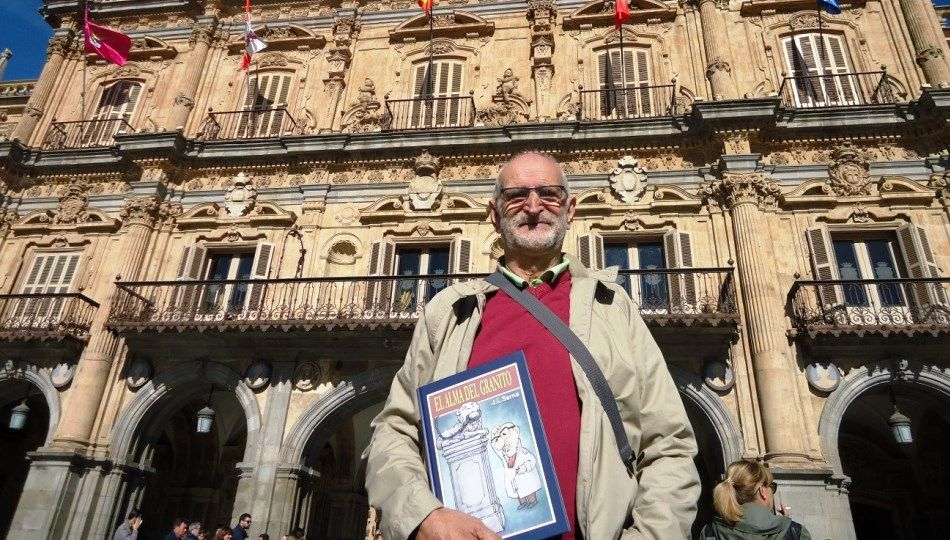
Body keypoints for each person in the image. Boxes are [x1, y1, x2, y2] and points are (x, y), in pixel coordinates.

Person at [365, 151, 700, 539]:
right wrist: (423, 516)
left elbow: (670, 445)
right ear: (494, 214)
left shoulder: (614, 308)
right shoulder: (450, 312)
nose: (534, 206)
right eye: (517, 195)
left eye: (549, 194)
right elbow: (394, 431)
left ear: (570, 210)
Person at [702, 460, 812, 540]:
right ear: (762, 489)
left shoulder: (710, 532)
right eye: (771, 486)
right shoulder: (795, 532)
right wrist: (786, 526)